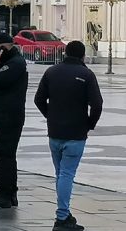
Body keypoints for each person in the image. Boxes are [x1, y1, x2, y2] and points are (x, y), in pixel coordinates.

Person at [34, 41, 103, 231]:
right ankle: (62, 216)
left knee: (60, 173)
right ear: (82, 56)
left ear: (65, 53)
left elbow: (38, 99)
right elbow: (97, 105)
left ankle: (64, 212)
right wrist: (89, 124)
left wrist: (51, 116)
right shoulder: (86, 74)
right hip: (75, 133)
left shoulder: (51, 72)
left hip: (55, 132)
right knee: (67, 174)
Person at [0, 33, 28, 209]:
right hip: (5, 114)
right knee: (6, 156)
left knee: (5, 156)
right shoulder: (11, 63)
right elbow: (4, 86)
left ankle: (4, 194)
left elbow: (2, 79)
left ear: (4, 47)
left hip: (9, 116)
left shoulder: (15, 63)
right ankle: (9, 193)